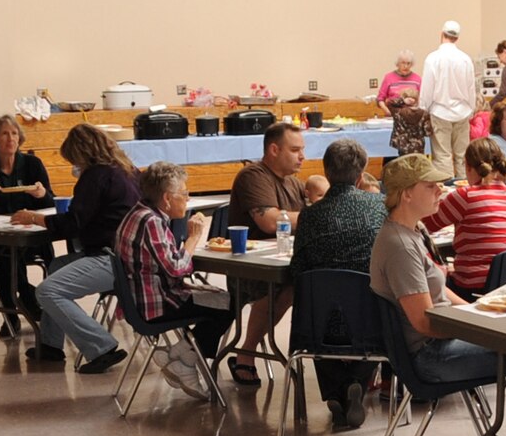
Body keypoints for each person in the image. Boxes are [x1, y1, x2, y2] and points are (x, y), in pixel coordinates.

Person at [373, 152, 506, 436]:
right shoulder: (400, 246)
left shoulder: (410, 231)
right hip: (431, 356)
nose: (440, 191)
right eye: (431, 186)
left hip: (441, 344)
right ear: (407, 193)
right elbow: (424, 321)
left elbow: (438, 292)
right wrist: (481, 325)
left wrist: (484, 311)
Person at [20, 124, 140, 375]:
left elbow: (72, 224)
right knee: (55, 267)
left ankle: (102, 346)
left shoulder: (95, 176)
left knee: (47, 291)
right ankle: (51, 344)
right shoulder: (126, 170)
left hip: (112, 258)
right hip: (131, 255)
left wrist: (34, 218)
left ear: (82, 154)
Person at [287, 139, 388, 430]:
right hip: (371, 319)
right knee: (380, 304)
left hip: (321, 326)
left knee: (319, 302)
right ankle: (356, 379)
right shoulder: (378, 206)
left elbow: (299, 268)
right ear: (360, 177)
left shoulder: (310, 215)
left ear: (326, 173)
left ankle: (335, 391)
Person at [113, 161, 233, 402]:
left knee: (219, 299)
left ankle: (178, 355)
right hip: (156, 304)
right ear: (167, 198)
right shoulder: (151, 222)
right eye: (185, 194)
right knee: (229, 303)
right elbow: (177, 269)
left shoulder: (137, 213)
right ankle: (186, 359)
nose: (187, 199)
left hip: (142, 299)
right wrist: (194, 238)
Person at [224, 122, 308, 385]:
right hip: (251, 268)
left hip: (284, 262)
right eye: (295, 150)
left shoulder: (293, 183)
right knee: (292, 287)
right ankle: (246, 353)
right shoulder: (253, 176)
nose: (302, 156)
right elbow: (270, 222)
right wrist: (313, 215)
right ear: (274, 149)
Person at [0, 114, 55, 337]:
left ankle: (17, 308)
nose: (10, 138)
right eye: (5, 134)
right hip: (0, 235)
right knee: (4, 252)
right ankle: (21, 306)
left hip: (30, 233)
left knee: (11, 254)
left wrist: (41, 193)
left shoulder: (32, 164)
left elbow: (50, 202)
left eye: (14, 133)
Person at [424, 137, 506, 296]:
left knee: (427, 280)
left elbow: (426, 225)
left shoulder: (465, 196)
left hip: (476, 287)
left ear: (468, 167)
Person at [419, 20, 477, 170]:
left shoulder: (433, 58)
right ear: (457, 38)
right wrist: (471, 109)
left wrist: (423, 108)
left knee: (442, 156)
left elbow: (427, 88)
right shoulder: (465, 59)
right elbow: (472, 88)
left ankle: (445, 191)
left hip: (440, 112)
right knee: (463, 156)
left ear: (441, 34)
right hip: (463, 111)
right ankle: (464, 189)